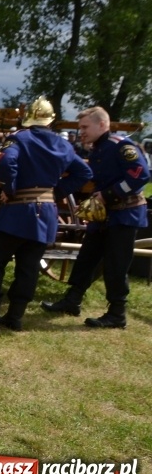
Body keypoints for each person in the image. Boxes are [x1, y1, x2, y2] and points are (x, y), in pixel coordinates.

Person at [0, 97, 92, 332]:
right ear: (50, 121)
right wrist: (57, 192)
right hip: (46, 215)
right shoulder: (64, 146)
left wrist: (9, 190)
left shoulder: (21, 139)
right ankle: (15, 317)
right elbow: (84, 172)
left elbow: (7, 164)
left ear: (30, 120)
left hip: (18, 211)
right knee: (29, 266)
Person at [41, 106, 150, 329]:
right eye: (79, 127)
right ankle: (72, 301)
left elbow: (141, 175)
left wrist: (109, 194)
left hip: (124, 215)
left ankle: (117, 314)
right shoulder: (98, 148)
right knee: (86, 259)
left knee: (115, 266)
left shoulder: (121, 146)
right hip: (104, 215)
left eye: (84, 127)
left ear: (102, 125)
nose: (80, 131)